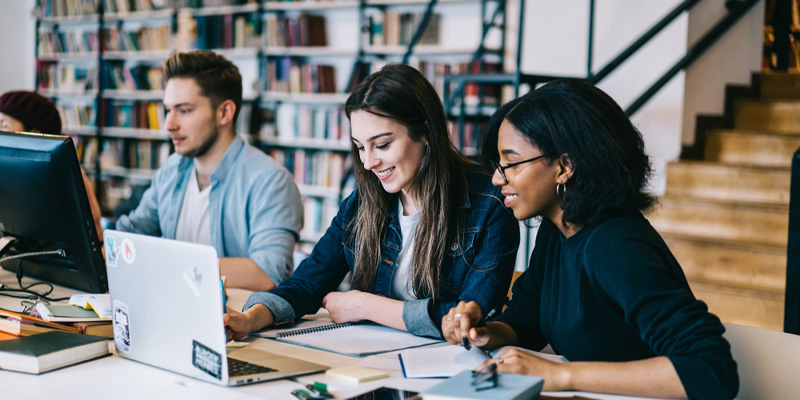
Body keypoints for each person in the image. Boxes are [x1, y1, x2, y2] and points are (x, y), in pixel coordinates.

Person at [442, 79, 739, 399]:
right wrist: (484, 333)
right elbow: (528, 319)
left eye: (510, 163)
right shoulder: (559, 230)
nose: (497, 178)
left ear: (564, 167)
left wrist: (562, 374)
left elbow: (711, 370)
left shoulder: (615, 246)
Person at [224, 64, 520, 339]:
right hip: (371, 365)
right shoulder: (361, 204)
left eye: (382, 145)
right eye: (359, 147)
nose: (368, 163)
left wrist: (367, 306)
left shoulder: (491, 202)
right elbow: (306, 283)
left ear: (426, 132)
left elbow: (466, 321)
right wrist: (250, 319)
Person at [115, 51, 303, 292]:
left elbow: (268, 272)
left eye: (184, 110)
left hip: (233, 323)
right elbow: (130, 233)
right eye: (168, 110)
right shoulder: (173, 168)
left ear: (225, 112)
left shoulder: (270, 181)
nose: (169, 124)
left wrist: (169, 265)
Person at [0, 90, 103, 239]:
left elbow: (90, 237)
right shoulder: (10, 170)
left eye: (5, 126)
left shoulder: (66, 175)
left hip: (63, 257)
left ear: (34, 133)